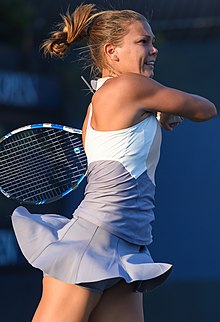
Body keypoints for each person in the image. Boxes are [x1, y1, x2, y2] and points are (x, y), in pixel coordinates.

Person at [11, 3, 217, 322]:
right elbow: (205, 109)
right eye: (143, 41)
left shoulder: (106, 99)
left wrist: (158, 109)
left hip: (127, 248)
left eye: (151, 41)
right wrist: (163, 107)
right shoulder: (130, 86)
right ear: (112, 51)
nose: (153, 49)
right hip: (93, 242)